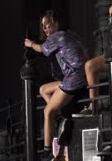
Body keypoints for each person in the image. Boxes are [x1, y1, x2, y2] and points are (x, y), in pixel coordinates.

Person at [24, 10, 88, 161]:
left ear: (56, 24)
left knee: (47, 112)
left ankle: (48, 153)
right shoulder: (70, 34)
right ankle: (60, 118)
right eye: (43, 27)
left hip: (73, 77)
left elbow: (42, 49)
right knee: (43, 89)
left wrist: (30, 43)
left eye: (48, 24)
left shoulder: (56, 36)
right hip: (78, 74)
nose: (46, 29)